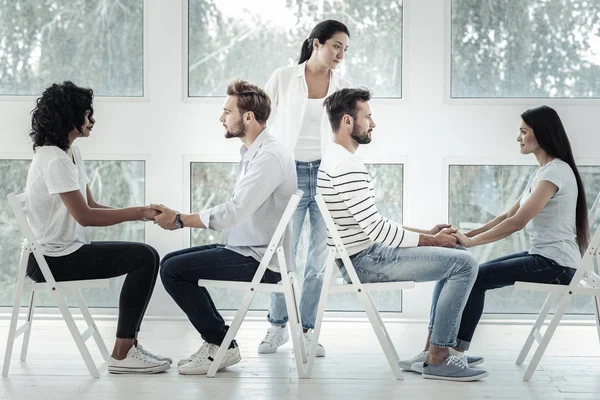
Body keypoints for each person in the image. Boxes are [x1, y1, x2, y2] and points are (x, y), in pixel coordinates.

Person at [317, 87, 488, 382]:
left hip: (364, 254)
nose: (372, 123)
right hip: (366, 261)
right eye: (367, 117)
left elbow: (372, 223)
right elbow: (377, 229)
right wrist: (434, 240)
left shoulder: (336, 159)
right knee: (465, 264)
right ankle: (439, 358)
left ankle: (432, 350)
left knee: (457, 256)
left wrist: (427, 233)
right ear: (347, 121)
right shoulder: (346, 165)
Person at [421, 105, 588, 361]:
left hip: (557, 264)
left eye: (523, 132)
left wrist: (472, 242)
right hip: (543, 256)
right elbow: (506, 216)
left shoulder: (556, 172)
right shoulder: (542, 171)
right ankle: (438, 350)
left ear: (541, 134)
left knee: (476, 280)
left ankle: (456, 352)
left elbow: (517, 223)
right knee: (472, 273)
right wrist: (466, 234)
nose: (518, 138)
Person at [25, 81, 170, 374]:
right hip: (50, 260)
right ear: (70, 118)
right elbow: (85, 217)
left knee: (147, 256)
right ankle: (122, 353)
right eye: (88, 114)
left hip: (67, 251)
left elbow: (91, 204)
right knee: (145, 257)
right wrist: (137, 212)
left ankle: (126, 349)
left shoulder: (71, 154)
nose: (93, 120)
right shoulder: (53, 159)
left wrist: (141, 213)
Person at [153, 79, 297, 375]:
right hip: (245, 247)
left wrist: (180, 219)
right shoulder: (252, 153)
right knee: (169, 263)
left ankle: (221, 344)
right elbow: (238, 212)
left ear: (248, 117)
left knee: (172, 271)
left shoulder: (268, 156)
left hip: (261, 260)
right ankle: (219, 343)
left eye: (227, 111)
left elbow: (233, 211)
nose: (222, 118)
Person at [259, 19, 351, 357]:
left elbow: (349, 135)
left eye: (344, 48)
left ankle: (309, 330)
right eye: (335, 45)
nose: (340, 53)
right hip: (290, 175)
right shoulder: (284, 77)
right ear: (316, 43)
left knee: (318, 261)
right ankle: (277, 326)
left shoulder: (344, 87)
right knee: (282, 256)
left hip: (327, 178)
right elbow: (259, 120)